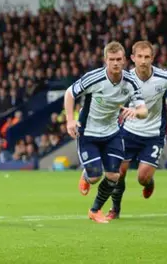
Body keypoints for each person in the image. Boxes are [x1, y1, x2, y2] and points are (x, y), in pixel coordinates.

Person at [64, 41, 148, 224]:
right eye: (112, 59)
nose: (116, 63)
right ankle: (87, 175)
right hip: (88, 133)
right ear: (105, 60)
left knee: (113, 176)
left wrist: (137, 112)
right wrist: (70, 120)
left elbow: (143, 110)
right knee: (95, 176)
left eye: (119, 59)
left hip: (112, 133)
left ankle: (95, 210)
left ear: (125, 60)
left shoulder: (131, 82)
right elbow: (70, 93)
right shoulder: (94, 78)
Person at [107, 41, 167, 219]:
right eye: (139, 57)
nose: (143, 61)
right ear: (133, 58)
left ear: (153, 58)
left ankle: (149, 183)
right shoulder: (124, 78)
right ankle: (115, 209)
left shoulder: (164, 78)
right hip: (128, 131)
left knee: (142, 177)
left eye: (147, 57)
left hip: (153, 135)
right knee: (119, 172)